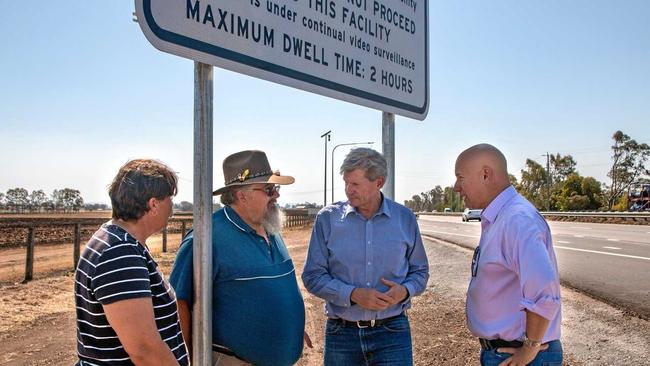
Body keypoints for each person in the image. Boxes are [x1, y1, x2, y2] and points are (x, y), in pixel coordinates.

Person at [169, 150, 307, 366]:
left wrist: (290, 328)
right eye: (269, 189)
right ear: (242, 195)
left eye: (276, 188)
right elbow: (180, 303)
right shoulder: (207, 238)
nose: (276, 196)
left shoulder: (271, 229)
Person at [302, 147, 429, 366]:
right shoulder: (327, 219)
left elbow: (420, 272)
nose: (348, 190)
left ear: (379, 182)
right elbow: (312, 276)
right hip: (341, 334)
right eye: (346, 183)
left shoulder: (405, 218)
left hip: (393, 333)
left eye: (355, 184)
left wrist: (405, 291)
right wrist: (353, 295)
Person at [454, 144, 562, 366]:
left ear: (485, 174)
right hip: (506, 352)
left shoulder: (517, 219)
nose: (456, 187)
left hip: (521, 356)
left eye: (460, 177)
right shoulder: (501, 217)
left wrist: (530, 349)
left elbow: (544, 292)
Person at [74, 159, 188, 366]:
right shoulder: (120, 253)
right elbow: (143, 348)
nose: (172, 208)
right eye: (170, 198)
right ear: (154, 204)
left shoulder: (117, 240)